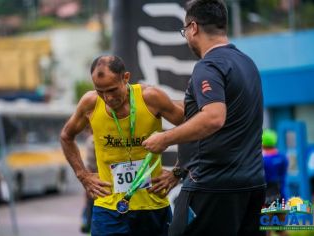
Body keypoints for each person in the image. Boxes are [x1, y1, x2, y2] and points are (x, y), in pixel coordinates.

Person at [142, 0, 266, 235]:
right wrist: (179, 171)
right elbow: (224, 128)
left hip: (213, 187)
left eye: (184, 30)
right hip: (252, 185)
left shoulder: (208, 66)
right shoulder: (247, 63)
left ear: (193, 28)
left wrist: (164, 139)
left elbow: (212, 119)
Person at [60, 55, 184, 235]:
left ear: (125, 78)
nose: (107, 98)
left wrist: (178, 172)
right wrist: (83, 176)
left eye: (112, 89)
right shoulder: (90, 103)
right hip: (108, 208)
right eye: (100, 91)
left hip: (153, 204)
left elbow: (192, 128)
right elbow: (66, 136)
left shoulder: (150, 98)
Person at [262, 129, 288, 236]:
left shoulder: (263, 160)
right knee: (281, 230)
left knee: (265, 230)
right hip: (282, 196)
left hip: (267, 198)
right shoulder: (282, 157)